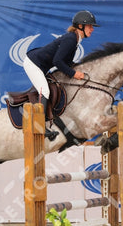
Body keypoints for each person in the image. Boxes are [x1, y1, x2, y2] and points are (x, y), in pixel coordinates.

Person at [23, 10, 99, 138]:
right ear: (80, 26)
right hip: (33, 64)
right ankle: (38, 126)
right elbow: (57, 61)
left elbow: (67, 62)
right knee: (45, 91)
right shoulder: (71, 39)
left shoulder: (75, 39)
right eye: (90, 26)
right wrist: (74, 74)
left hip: (41, 65)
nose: (92, 29)